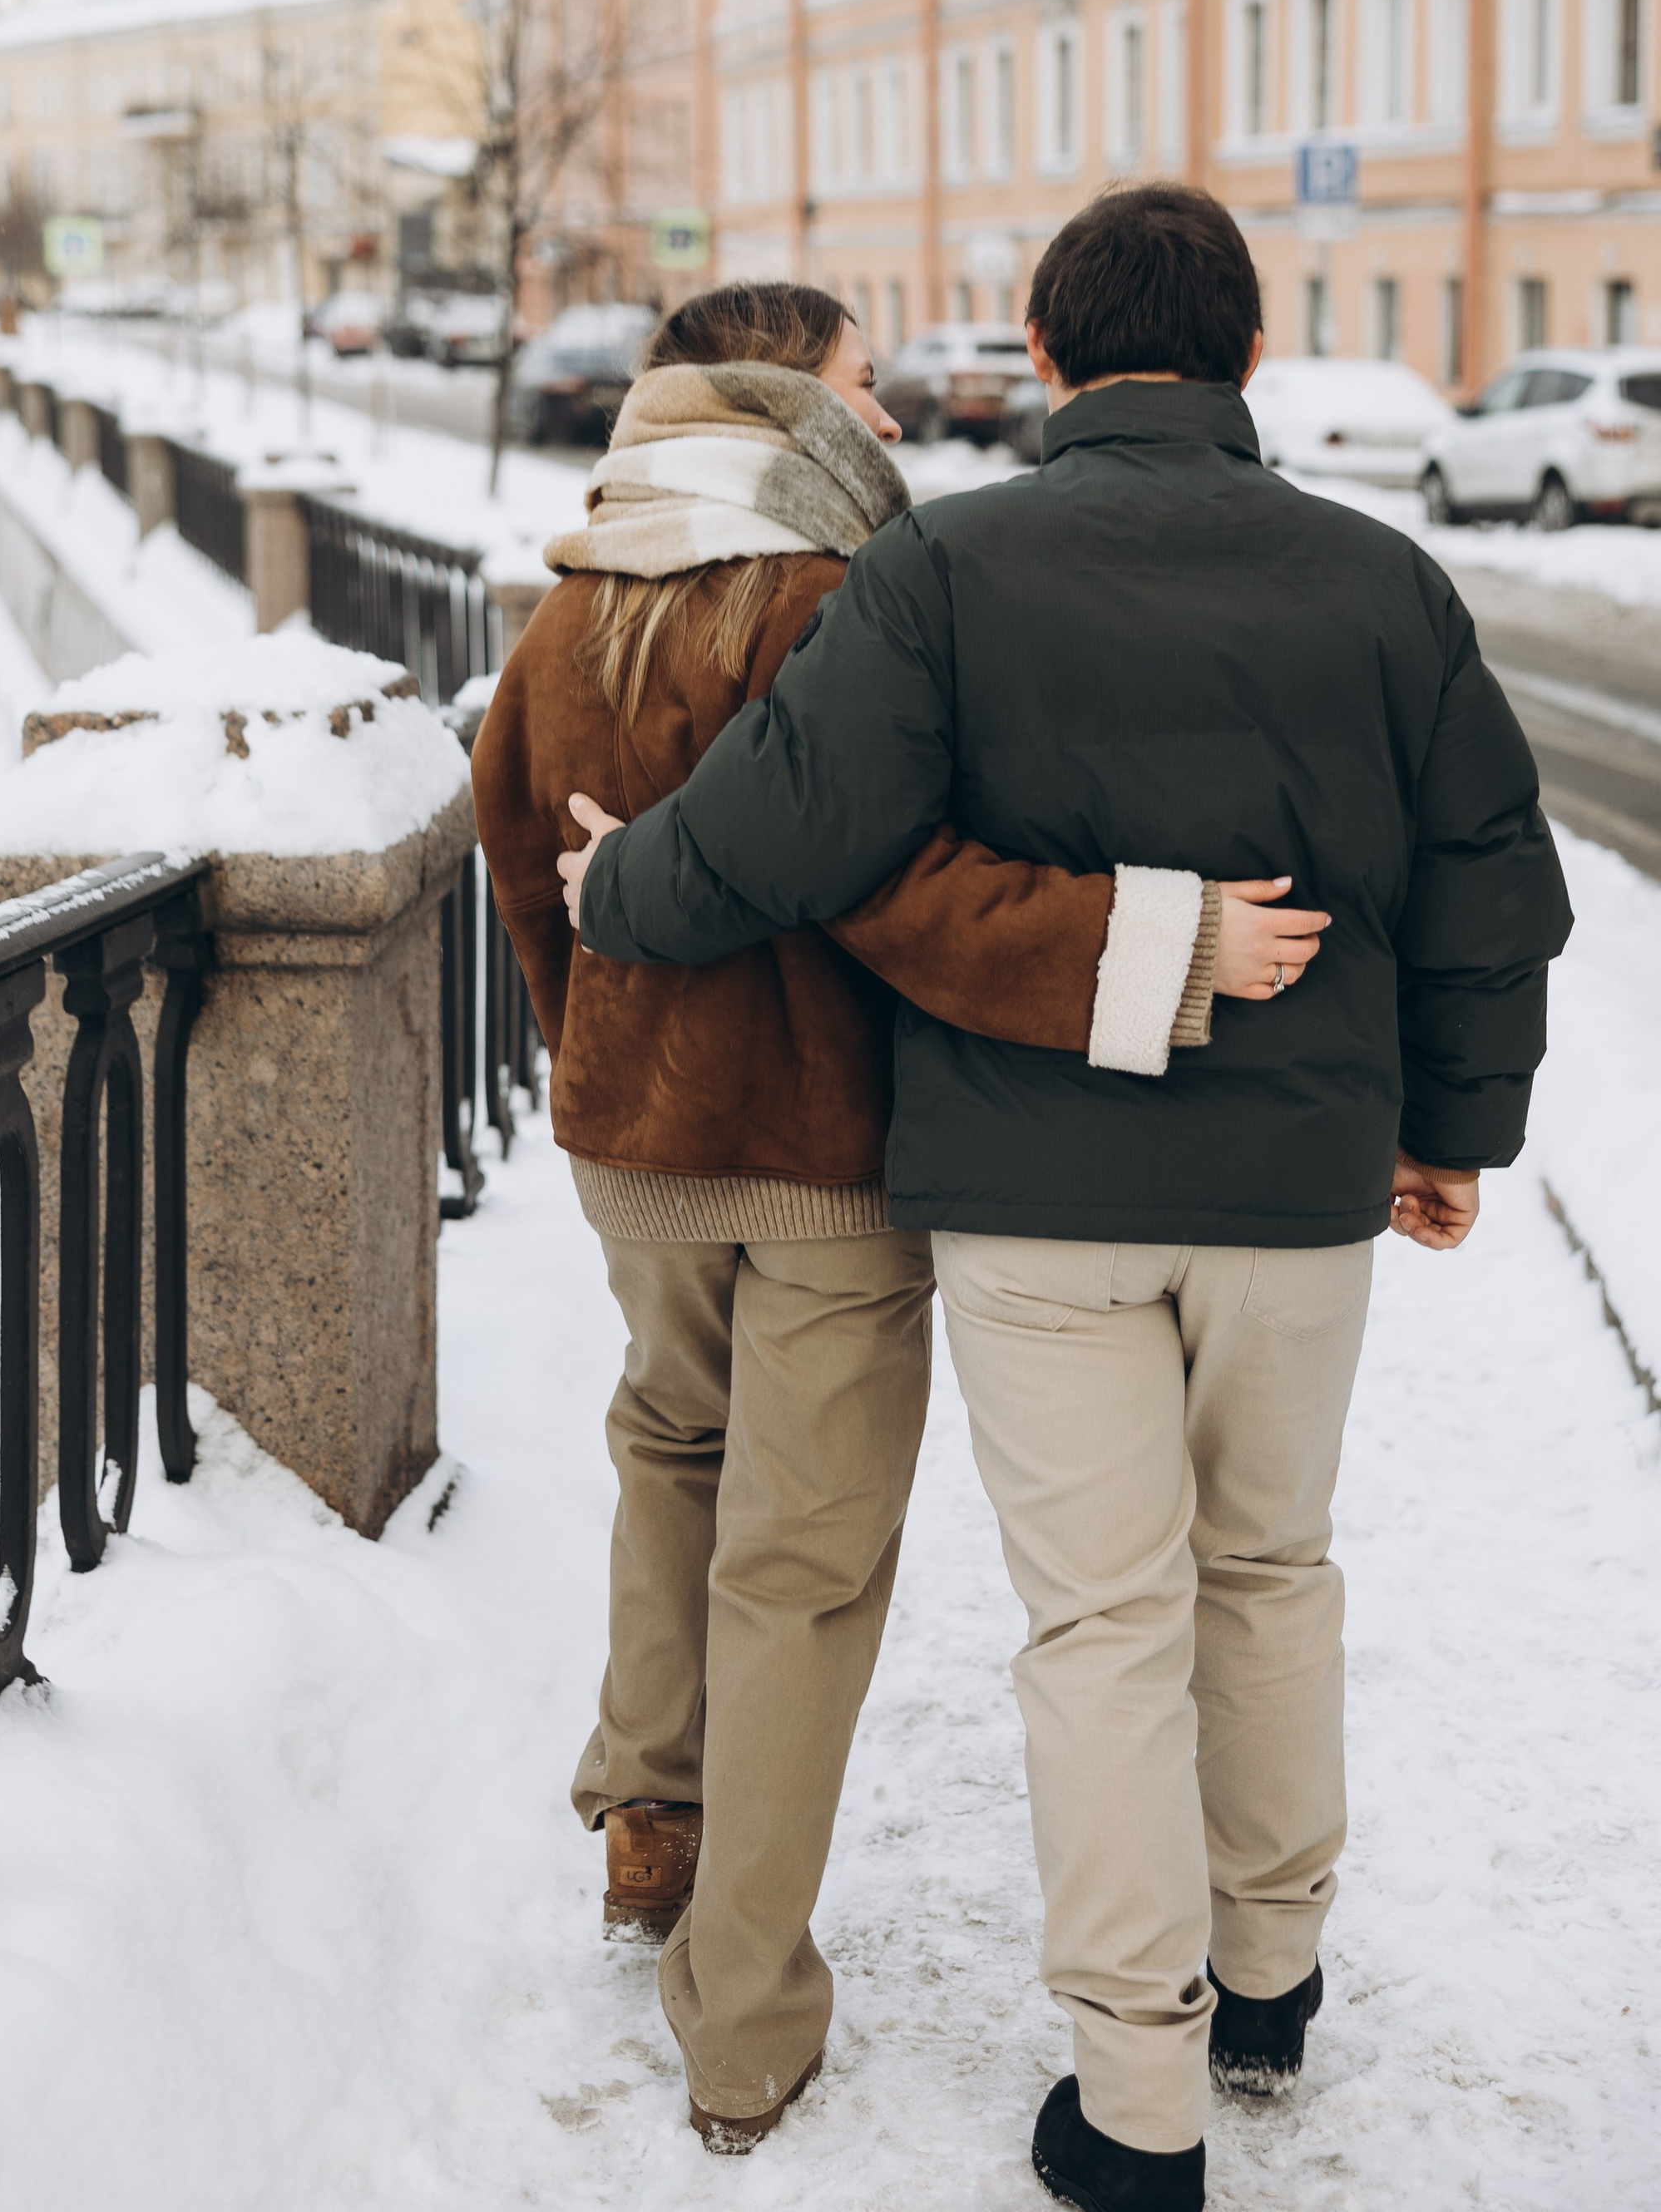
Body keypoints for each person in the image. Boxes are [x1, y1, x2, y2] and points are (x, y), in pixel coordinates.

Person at [559, 193, 1571, 2212]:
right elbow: (1487, 886)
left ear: (1041, 354)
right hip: (1296, 1188)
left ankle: (1136, 2104)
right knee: (1266, 1572)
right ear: (1247, 355)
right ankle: (1268, 1977)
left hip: (1035, 1200)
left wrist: (613, 892)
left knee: (1101, 1624)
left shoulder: (943, 564)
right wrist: (1448, 1132)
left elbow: (780, 826)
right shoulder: (1385, 585)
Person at [472, 276, 1322, 2160]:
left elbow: (515, 869)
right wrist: (1147, 946)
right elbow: (892, 889)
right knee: (801, 1567)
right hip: (826, 1160)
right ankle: (743, 2020)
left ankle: (647, 1809)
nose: (885, 411)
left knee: (665, 1443)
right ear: (789, 403)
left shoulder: (566, 606)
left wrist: (591, 1060)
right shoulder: (834, 600)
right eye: (859, 381)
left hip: (638, 1146)